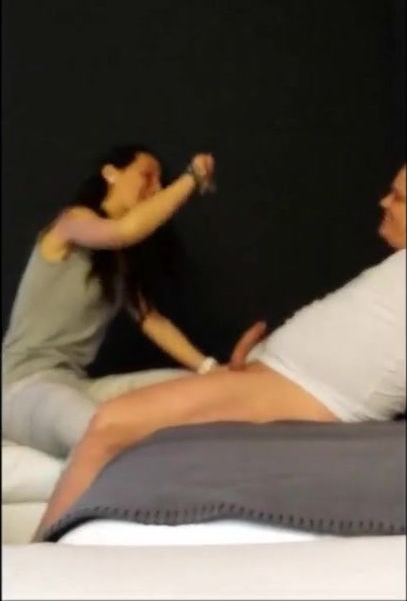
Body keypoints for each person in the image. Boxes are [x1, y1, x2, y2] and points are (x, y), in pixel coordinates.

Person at [34, 164, 406, 539]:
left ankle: (38, 561)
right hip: (269, 374)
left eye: (400, 198)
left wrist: (192, 177)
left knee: (111, 423)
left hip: (299, 392)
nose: (384, 202)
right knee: (112, 419)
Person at [2, 145, 223, 458]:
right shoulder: (71, 221)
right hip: (23, 389)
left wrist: (210, 369)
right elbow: (124, 231)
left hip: (78, 384)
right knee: (100, 432)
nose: (155, 188)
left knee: (195, 388)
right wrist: (192, 177)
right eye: (147, 175)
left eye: (160, 182)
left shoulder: (120, 261)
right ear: (110, 173)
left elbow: (150, 319)